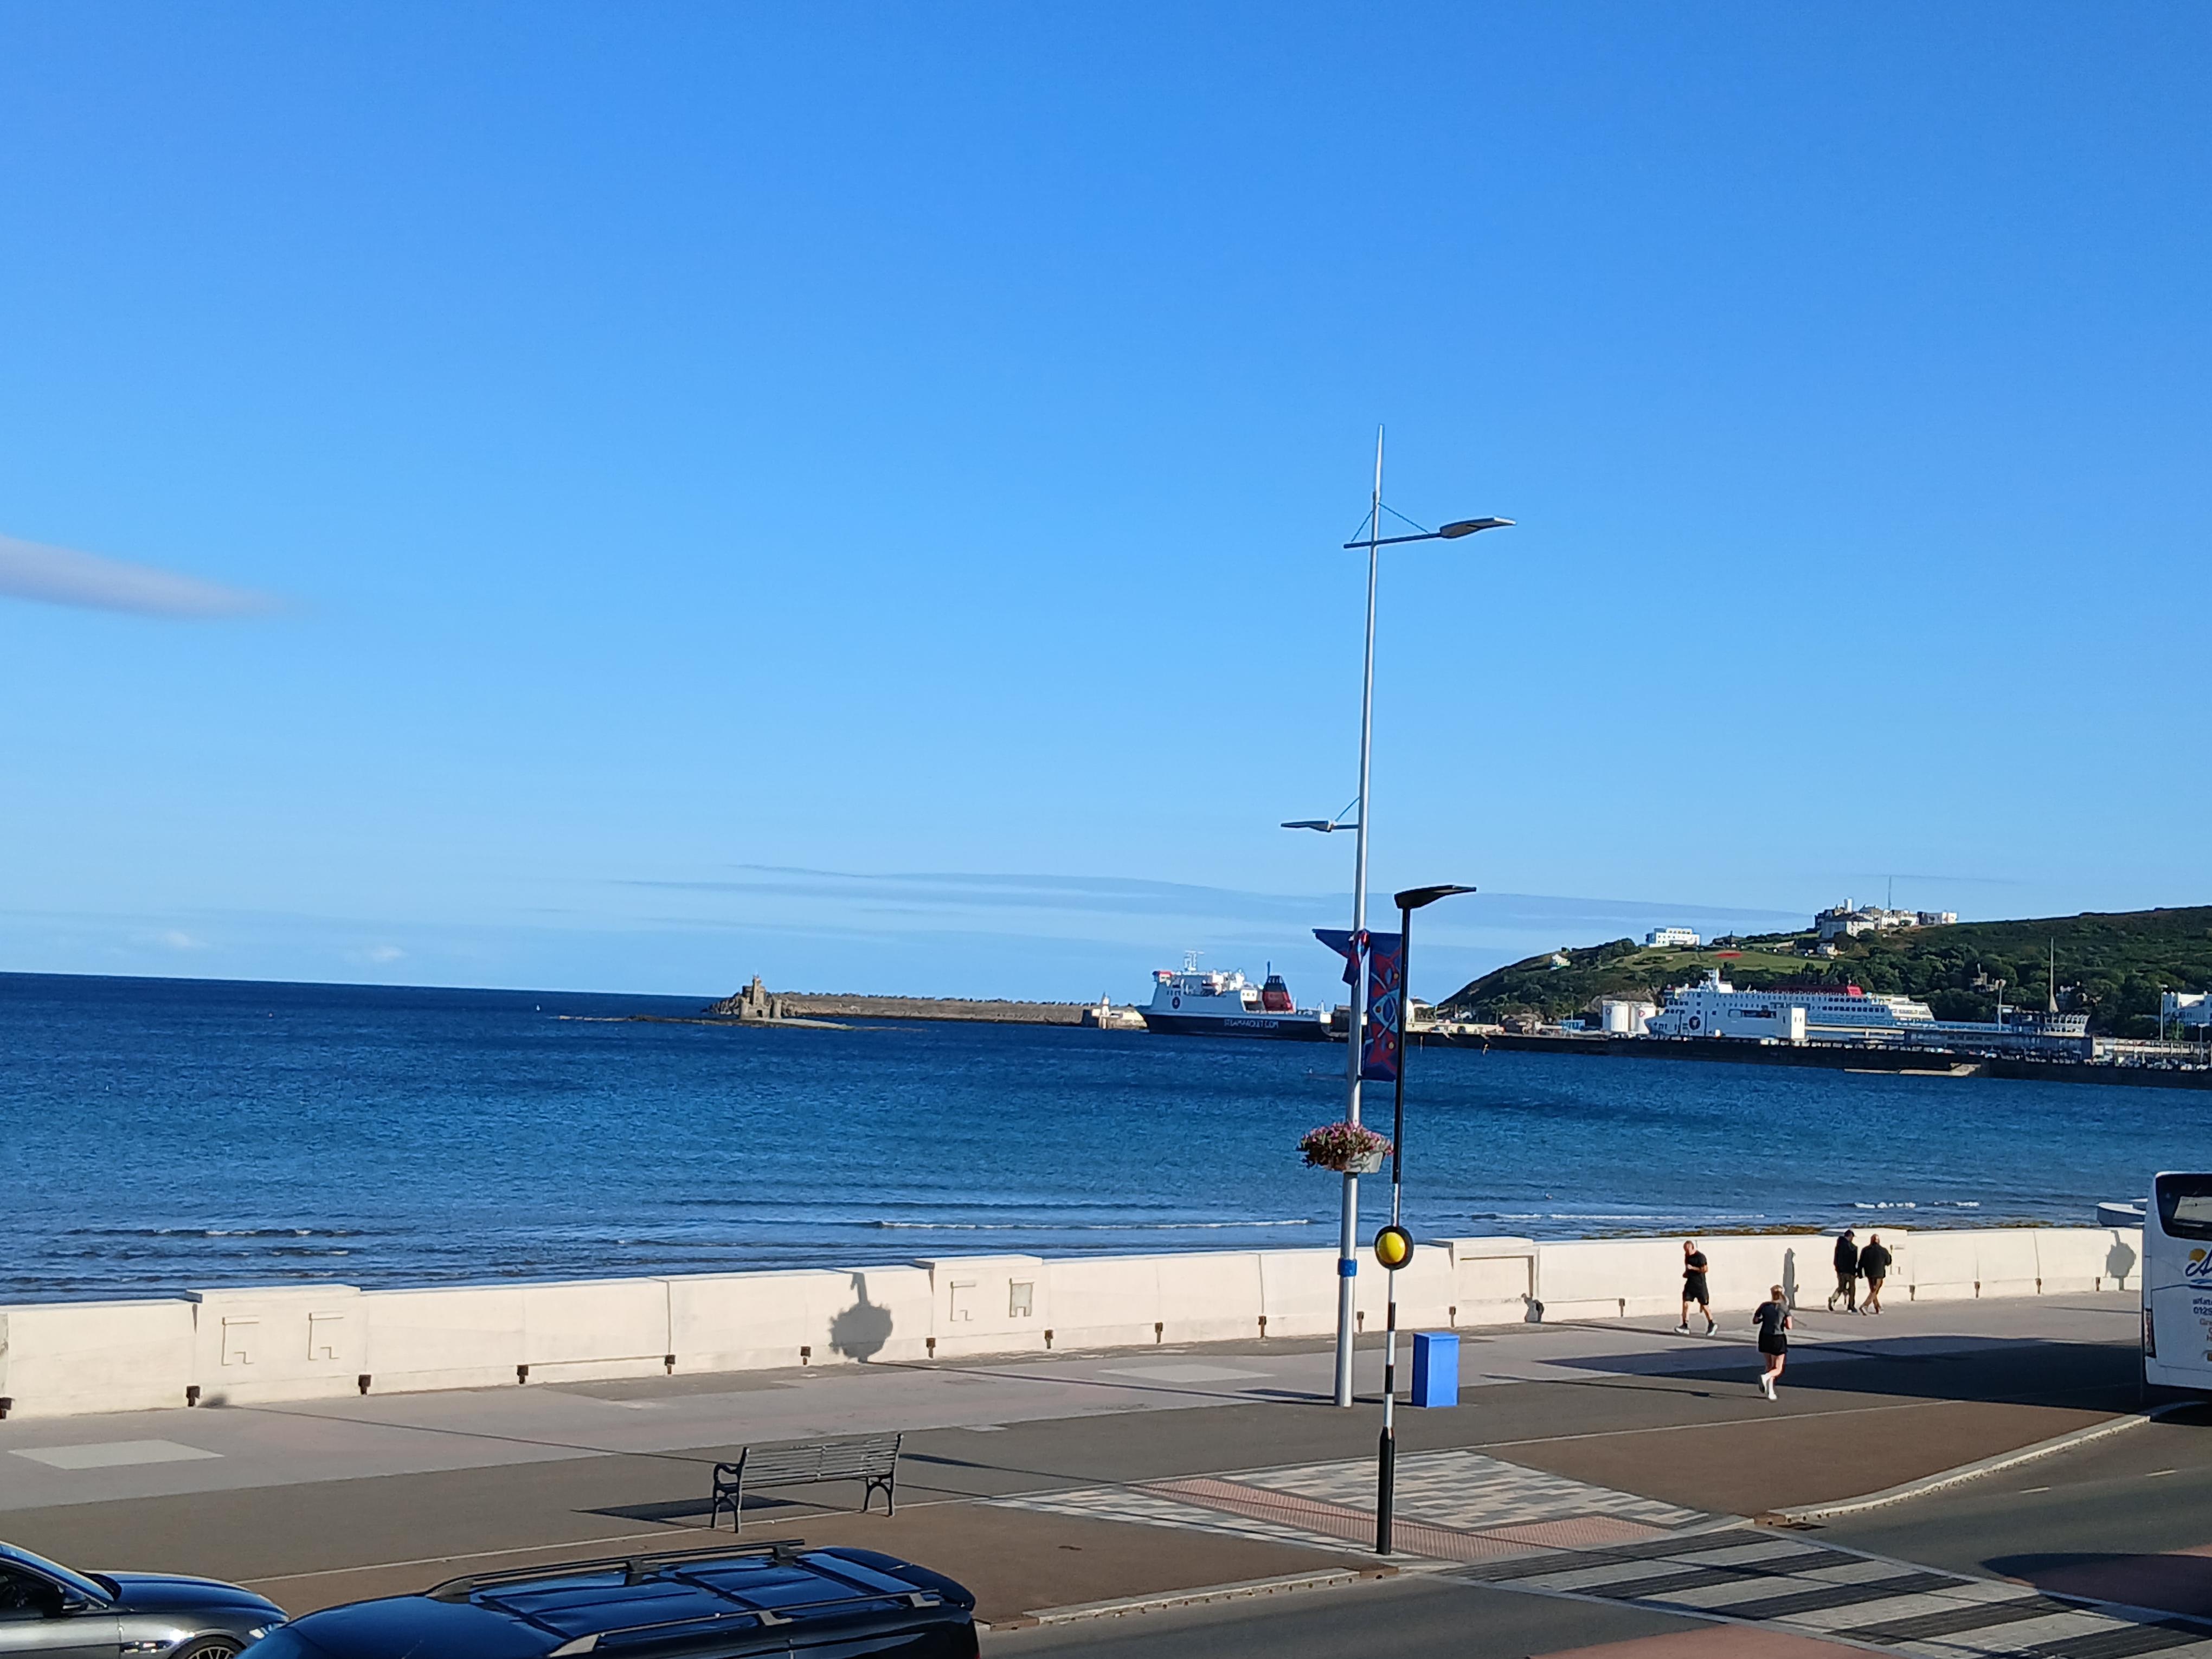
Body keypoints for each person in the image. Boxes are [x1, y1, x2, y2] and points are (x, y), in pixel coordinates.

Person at [1752, 1283, 1792, 1399]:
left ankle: (1770, 1391)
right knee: (1778, 1368)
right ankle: (1765, 1378)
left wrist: (1764, 1319)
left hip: (1765, 1337)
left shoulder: (1764, 1306)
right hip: (1778, 1338)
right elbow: (1789, 1326)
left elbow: (1755, 1320)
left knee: (1769, 1365)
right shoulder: (1784, 1308)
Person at [1676, 1238, 1715, 1334]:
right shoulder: (1687, 1256)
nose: (1687, 1252)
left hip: (1700, 1285)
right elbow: (1688, 1269)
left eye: (1688, 1250)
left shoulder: (1700, 1257)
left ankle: (1711, 1324)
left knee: (1705, 1306)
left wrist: (1693, 1268)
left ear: (1693, 1248)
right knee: (1686, 1304)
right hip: (1690, 1284)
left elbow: (1705, 1269)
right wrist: (1686, 1274)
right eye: (1685, 1250)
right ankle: (1685, 1326)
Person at [1827, 1227, 1860, 1313]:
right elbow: (1854, 1260)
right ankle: (1851, 1306)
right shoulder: (1852, 1247)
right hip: (1850, 1271)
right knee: (1852, 1289)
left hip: (1841, 1271)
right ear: (1850, 1237)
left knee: (1841, 1288)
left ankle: (1833, 1299)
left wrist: (1838, 1269)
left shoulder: (1839, 1246)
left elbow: (1836, 1260)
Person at [1859, 1232, 1892, 1314]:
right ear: (1879, 1241)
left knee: (1873, 1290)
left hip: (1869, 1273)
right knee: (1875, 1291)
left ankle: (1877, 1307)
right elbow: (1888, 1262)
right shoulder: (1884, 1250)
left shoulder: (1865, 1250)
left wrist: (1860, 1273)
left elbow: (1861, 1263)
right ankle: (1865, 1305)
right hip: (1879, 1273)